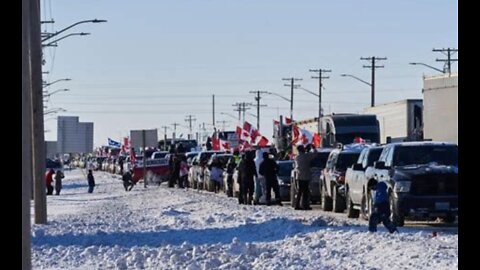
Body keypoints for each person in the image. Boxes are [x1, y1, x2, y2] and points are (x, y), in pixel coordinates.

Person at [293, 144, 317, 210]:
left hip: (299, 176)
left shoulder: (297, 157)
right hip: (305, 176)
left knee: (299, 191)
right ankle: (305, 205)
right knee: (306, 192)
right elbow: (314, 154)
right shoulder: (306, 156)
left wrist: (307, 150)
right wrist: (313, 147)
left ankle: (297, 205)